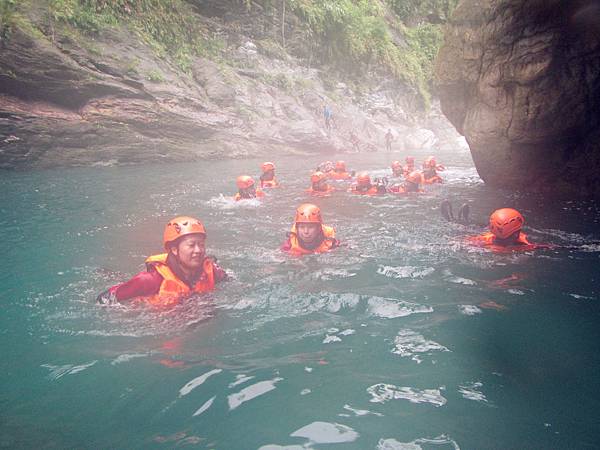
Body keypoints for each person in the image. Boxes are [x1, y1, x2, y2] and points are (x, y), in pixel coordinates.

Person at [96, 216, 228, 306]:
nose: (199, 250)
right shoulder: (151, 280)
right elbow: (104, 299)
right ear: (174, 249)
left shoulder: (212, 270)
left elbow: (231, 281)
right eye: (192, 245)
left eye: (201, 244)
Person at [468, 208, 547, 252]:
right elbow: (539, 246)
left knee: (477, 228)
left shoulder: (483, 240)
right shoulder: (524, 245)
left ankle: (465, 221)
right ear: (516, 233)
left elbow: (461, 242)